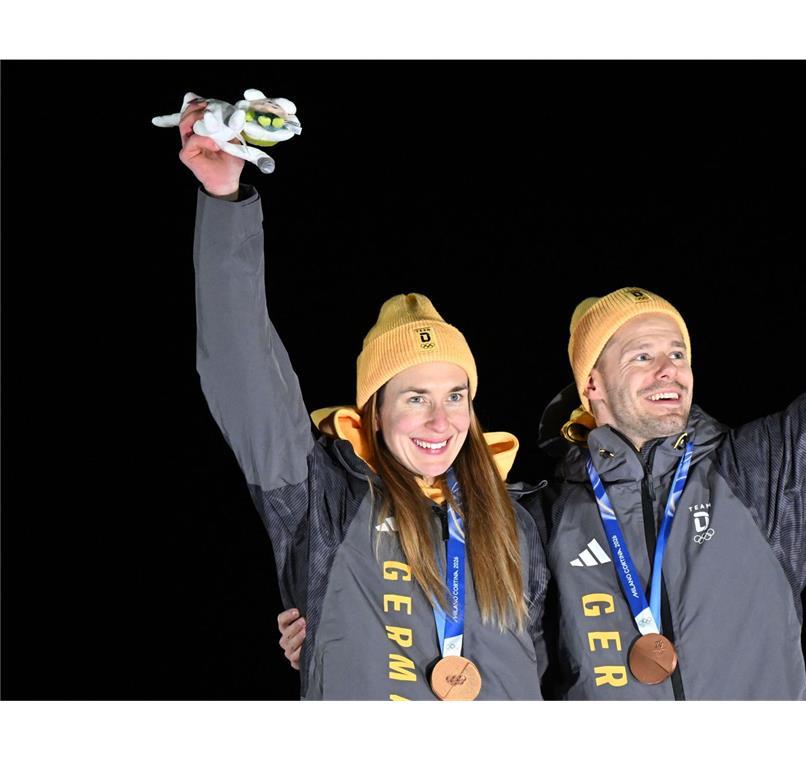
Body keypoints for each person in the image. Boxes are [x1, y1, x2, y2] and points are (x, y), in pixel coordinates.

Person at [277, 155, 806, 698]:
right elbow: (499, 643)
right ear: (592, 385)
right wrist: (330, 630)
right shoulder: (541, 513)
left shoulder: (767, 475)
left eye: (678, 351)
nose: (670, 368)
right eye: (642, 355)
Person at [182, 99, 548, 700]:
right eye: (414, 398)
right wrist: (225, 200)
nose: (441, 420)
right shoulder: (321, 497)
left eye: (456, 396)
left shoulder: (517, 521)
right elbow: (240, 363)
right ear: (373, 413)